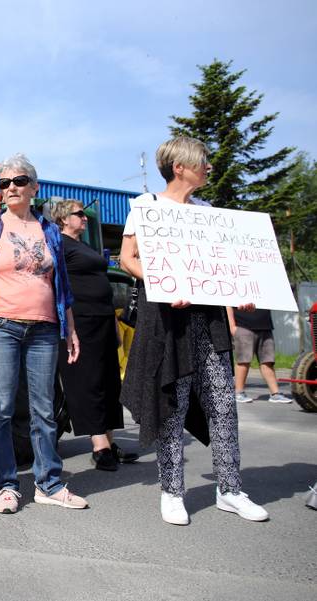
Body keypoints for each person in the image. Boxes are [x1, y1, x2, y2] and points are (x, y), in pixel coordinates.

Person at [119, 136, 268, 525]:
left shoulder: (207, 212)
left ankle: (230, 489)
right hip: (168, 322)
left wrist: (241, 294)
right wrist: (165, 286)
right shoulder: (147, 208)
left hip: (209, 320)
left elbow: (224, 268)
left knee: (223, 404)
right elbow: (127, 259)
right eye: (202, 160)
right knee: (174, 402)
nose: (208, 167)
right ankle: (171, 491)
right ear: (179, 166)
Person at [0, 153, 88, 514]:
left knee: (44, 410)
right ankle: (5, 484)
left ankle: (48, 483)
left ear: (34, 187)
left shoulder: (50, 230)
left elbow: (61, 284)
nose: (11, 188)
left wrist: (71, 329)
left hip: (45, 329)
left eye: (19, 181)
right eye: (4, 183)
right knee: (0, 410)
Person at [52, 200, 139, 471]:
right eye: (79, 214)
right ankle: (99, 447)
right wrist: (68, 326)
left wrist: (112, 319)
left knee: (109, 381)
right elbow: (56, 285)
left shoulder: (83, 246)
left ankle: (110, 442)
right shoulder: (59, 245)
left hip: (103, 318)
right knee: (88, 381)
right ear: (64, 219)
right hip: (81, 320)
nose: (85, 218)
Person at [226, 307, 293, 404]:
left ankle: (275, 394)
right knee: (243, 360)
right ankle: (238, 393)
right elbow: (228, 303)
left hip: (265, 326)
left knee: (268, 361)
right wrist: (232, 326)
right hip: (242, 325)